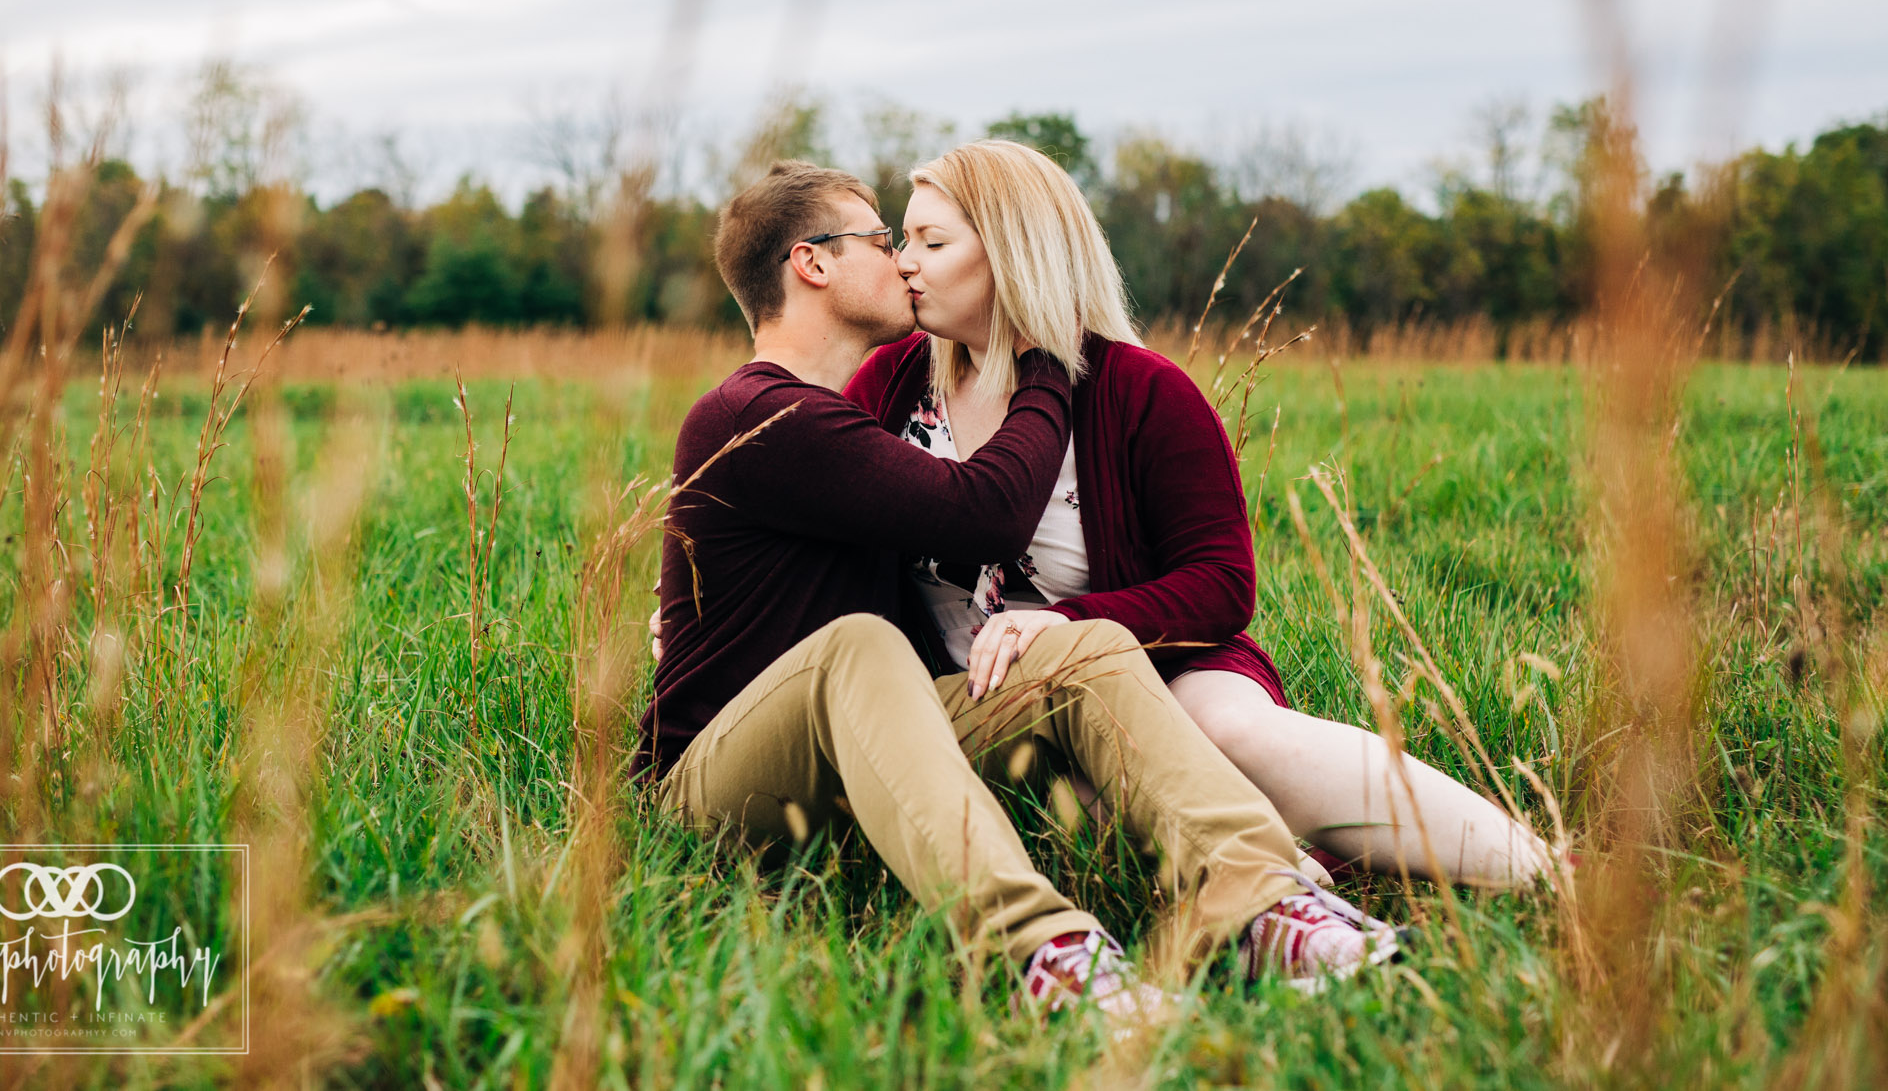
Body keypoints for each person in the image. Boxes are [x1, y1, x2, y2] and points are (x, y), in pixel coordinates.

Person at [639, 159, 1403, 1028]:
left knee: (1083, 645)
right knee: (860, 641)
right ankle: (1042, 954)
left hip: (859, 749)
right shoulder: (758, 414)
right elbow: (989, 514)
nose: (903, 261)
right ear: (812, 263)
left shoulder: (852, 413)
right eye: (886, 240)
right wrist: (1046, 355)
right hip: (715, 783)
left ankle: (1264, 902)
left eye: (922, 241)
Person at [844, 139, 1553, 888]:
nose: (905, 262)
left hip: (1161, 668)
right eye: (904, 239)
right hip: (985, 705)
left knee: (1227, 729)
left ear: (1015, 252)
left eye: (933, 241)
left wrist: (1075, 621)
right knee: (1082, 816)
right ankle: (1306, 870)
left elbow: (1221, 583)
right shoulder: (889, 387)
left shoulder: (1140, 390)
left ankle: (1541, 871)